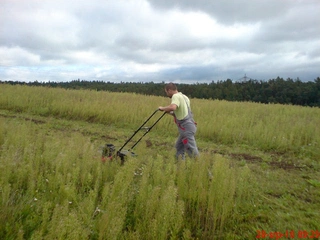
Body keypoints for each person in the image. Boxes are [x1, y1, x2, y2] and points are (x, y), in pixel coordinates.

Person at [159, 82, 199, 159]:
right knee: (178, 149)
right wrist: (169, 112)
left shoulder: (175, 96)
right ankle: (180, 167)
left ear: (169, 90)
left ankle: (200, 167)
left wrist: (162, 108)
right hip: (189, 125)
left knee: (191, 149)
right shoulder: (184, 97)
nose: (167, 94)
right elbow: (181, 113)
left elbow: (173, 107)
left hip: (186, 128)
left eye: (166, 92)